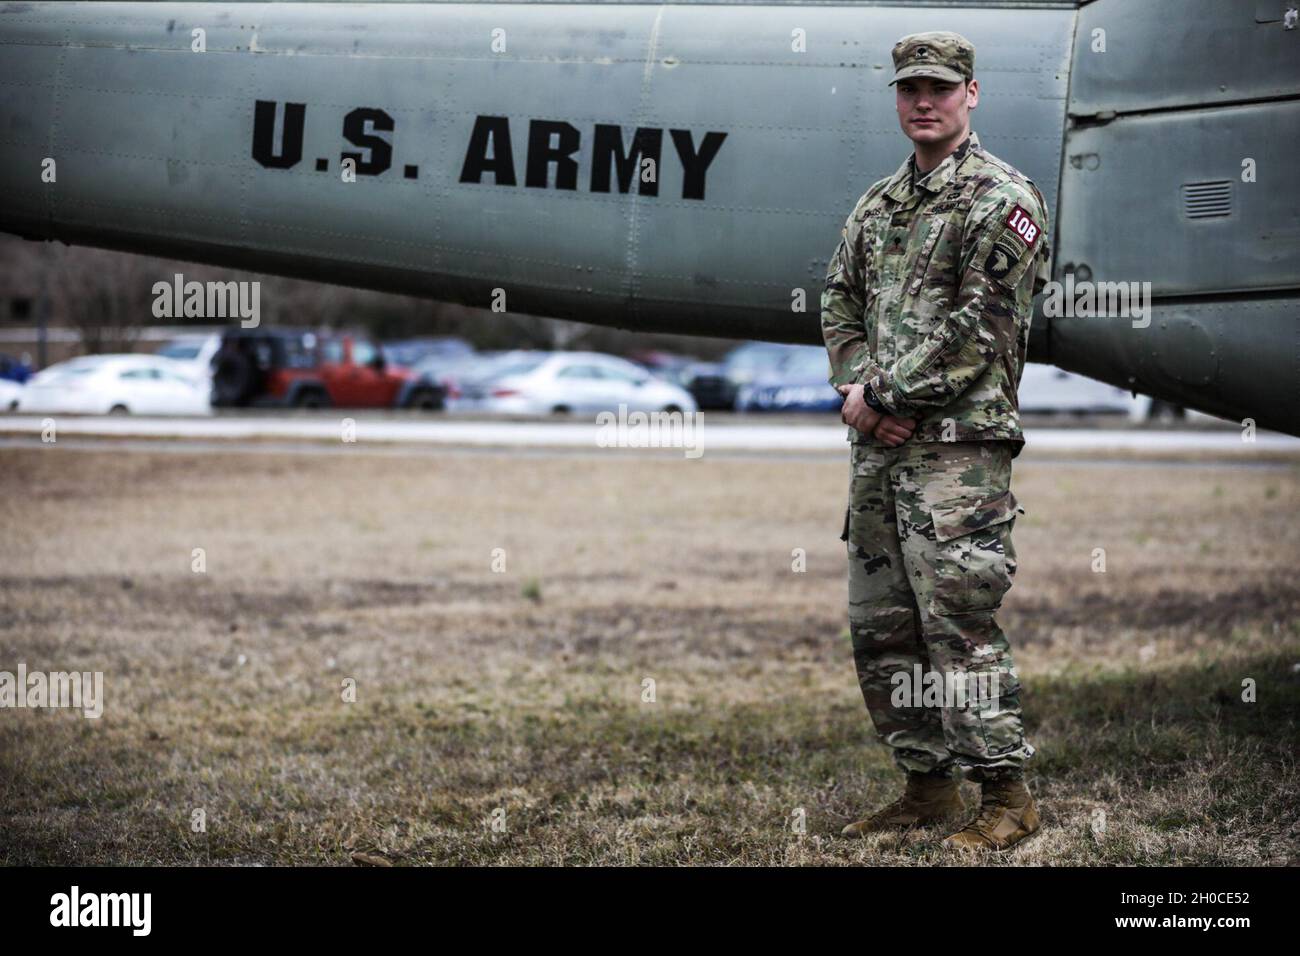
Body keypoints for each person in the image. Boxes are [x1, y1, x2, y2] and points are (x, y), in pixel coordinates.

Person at [820, 30, 1051, 851]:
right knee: (883, 627)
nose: (924, 100)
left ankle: (1006, 795)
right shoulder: (879, 205)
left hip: (958, 456)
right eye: (911, 87)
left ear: (972, 95)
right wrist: (857, 391)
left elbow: (980, 327)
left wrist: (881, 395)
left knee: (958, 625)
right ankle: (926, 787)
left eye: (941, 88)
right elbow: (839, 299)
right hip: (880, 452)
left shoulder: (1003, 200)